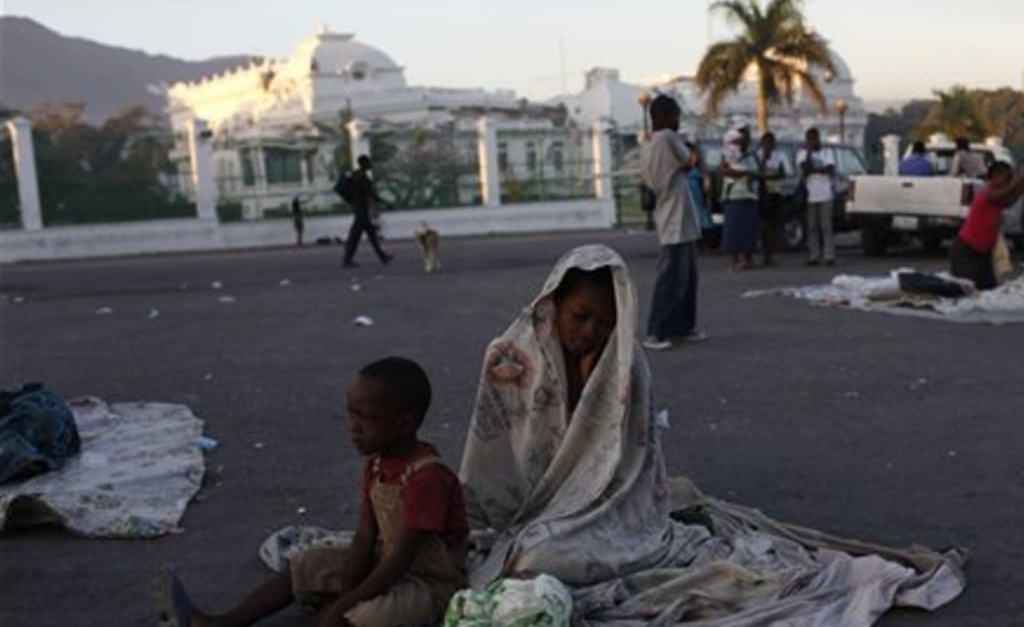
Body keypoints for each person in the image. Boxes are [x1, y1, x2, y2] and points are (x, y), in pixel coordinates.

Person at [457, 244, 966, 624]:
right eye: (581, 317)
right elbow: (493, 461)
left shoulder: (625, 363)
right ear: (553, 304)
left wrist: (594, 382)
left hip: (608, 513)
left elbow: (630, 466)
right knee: (525, 556)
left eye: (606, 322)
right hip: (532, 513)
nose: (590, 332)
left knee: (548, 558)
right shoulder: (508, 357)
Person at [160, 357, 468, 627]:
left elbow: (400, 560)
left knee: (364, 618)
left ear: (404, 422)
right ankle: (227, 622)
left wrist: (344, 607)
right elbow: (364, 536)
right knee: (307, 564)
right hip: (386, 562)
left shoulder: (427, 478)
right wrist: (346, 596)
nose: (354, 428)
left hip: (428, 582)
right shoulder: (377, 465)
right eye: (352, 415)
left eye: (366, 418)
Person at [640, 96, 705, 351]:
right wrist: (691, 148)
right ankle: (658, 330)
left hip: (676, 216)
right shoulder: (667, 137)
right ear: (665, 117)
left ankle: (682, 327)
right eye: (676, 115)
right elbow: (691, 161)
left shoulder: (650, 143)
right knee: (671, 279)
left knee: (687, 279)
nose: (678, 121)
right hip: (675, 218)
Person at [951, 152, 1024, 289]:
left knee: (986, 289)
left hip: (982, 253)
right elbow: (1011, 190)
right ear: (995, 176)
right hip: (967, 251)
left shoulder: (997, 197)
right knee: (969, 289)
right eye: (1007, 177)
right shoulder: (987, 194)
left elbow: (1013, 196)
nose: (1009, 180)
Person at [720, 123, 761, 270]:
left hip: (749, 195)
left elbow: (758, 172)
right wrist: (745, 174)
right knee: (734, 229)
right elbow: (725, 171)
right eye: (743, 134)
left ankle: (747, 259)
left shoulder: (753, 154)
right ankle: (735, 259)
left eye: (748, 135)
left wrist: (750, 174)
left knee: (748, 230)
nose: (746, 138)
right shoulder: (728, 153)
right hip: (733, 195)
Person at [343, 155, 394, 269]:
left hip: (359, 209)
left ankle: (382, 256)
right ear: (364, 164)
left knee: (369, 235)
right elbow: (372, 194)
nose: (371, 164)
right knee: (355, 237)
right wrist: (386, 203)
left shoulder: (356, 175)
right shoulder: (362, 178)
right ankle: (347, 260)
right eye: (369, 162)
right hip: (361, 211)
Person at [800, 127, 837, 266]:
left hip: (825, 194)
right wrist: (809, 154)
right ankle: (814, 256)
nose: (812, 142)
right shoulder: (802, 154)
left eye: (814, 139)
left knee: (826, 226)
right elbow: (805, 170)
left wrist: (814, 170)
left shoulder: (827, 153)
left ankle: (829, 255)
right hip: (811, 194)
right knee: (812, 227)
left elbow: (830, 169)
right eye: (809, 140)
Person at [757, 131, 789, 266]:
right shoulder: (758, 156)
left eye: (771, 143)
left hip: (775, 193)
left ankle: (770, 254)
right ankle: (764, 254)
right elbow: (757, 173)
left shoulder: (778, 157)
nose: (768, 146)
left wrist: (768, 175)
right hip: (762, 193)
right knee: (763, 226)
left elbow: (782, 174)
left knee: (773, 225)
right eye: (766, 143)